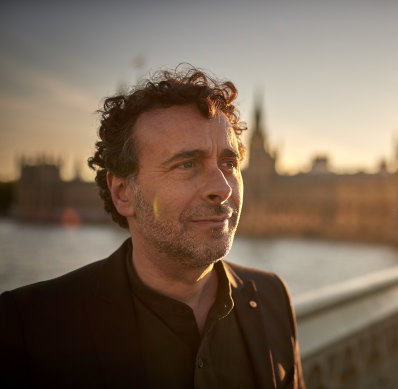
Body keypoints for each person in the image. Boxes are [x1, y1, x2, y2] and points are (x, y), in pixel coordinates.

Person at [0, 66, 305, 389]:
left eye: (229, 164)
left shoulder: (273, 297)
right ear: (123, 193)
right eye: (187, 164)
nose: (223, 188)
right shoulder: (26, 325)